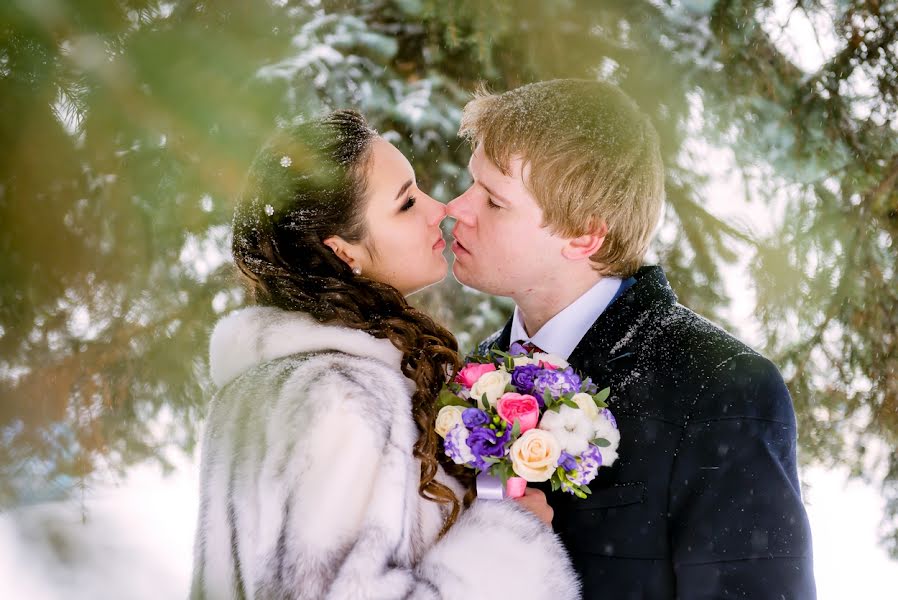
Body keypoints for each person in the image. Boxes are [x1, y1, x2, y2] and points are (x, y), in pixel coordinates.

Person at [447, 80, 817, 599]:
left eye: (494, 200)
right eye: (471, 184)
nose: (456, 208)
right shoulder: (471, 376)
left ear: (584, 236)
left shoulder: (720, 388)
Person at [189, 109, 580, 599]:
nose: (441, 210)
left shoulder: (279, 388)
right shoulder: (339, 399)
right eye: (406, 202)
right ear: (344, 251)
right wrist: (509, 538)